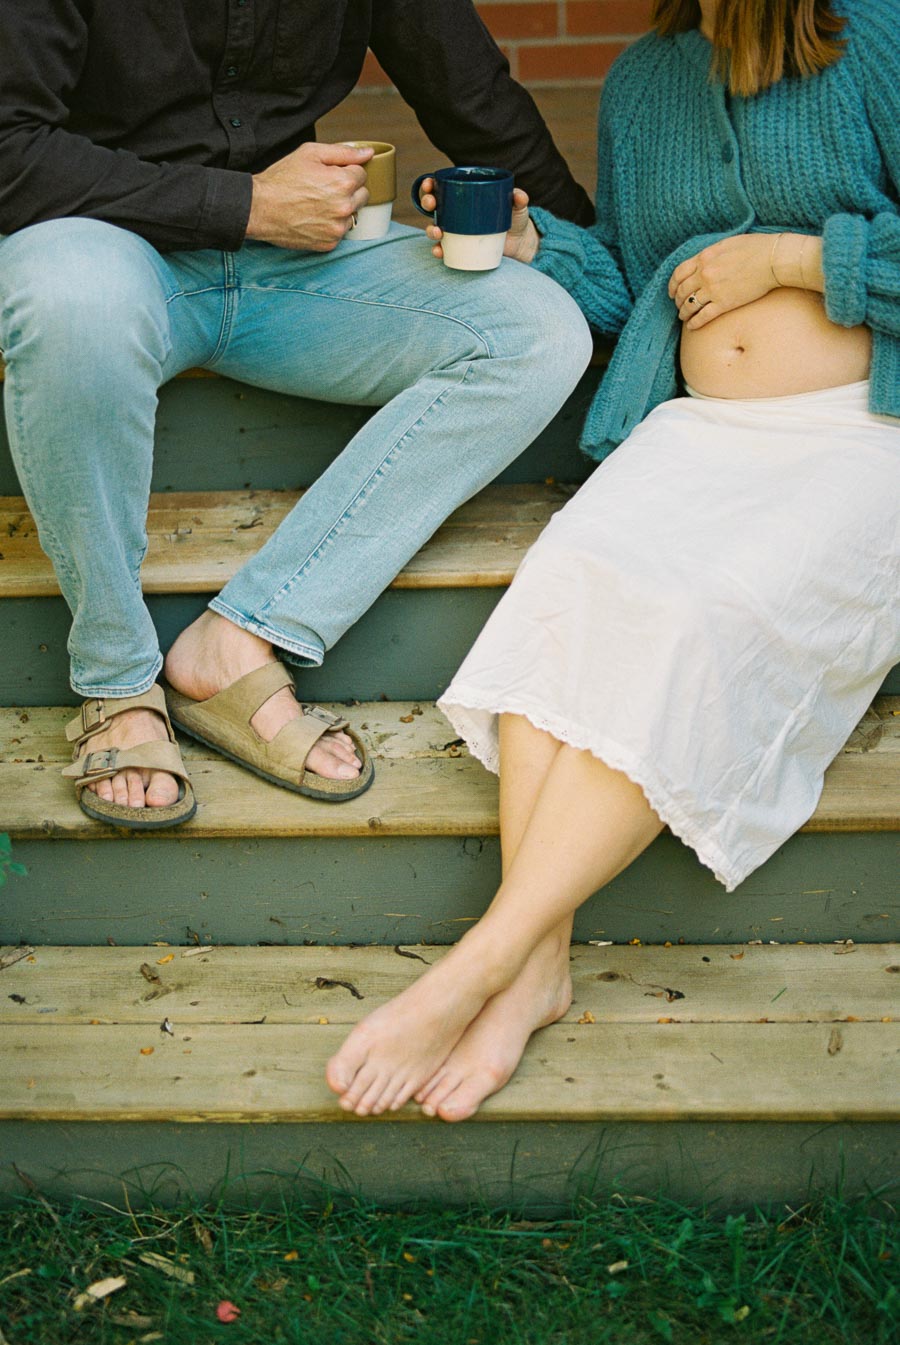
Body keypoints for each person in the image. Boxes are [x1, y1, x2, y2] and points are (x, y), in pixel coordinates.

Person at [326, 0, 900, 1121]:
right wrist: (536, 245)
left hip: (861, 437)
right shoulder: (644, 82)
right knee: (572, 583)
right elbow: (638, 289)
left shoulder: (876, 36)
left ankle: (480, 961)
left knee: (698, 610)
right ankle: (536, 965)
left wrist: (790, 257)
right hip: (695, 434)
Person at [0, 1, 594, 828]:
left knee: (538, 331)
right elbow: (8, 149)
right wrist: (241, 202)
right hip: (105, 245)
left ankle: (241, 638)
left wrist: (588, 258)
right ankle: (118, 683)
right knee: (67, 303)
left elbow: (473, 93)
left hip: (294, 262)